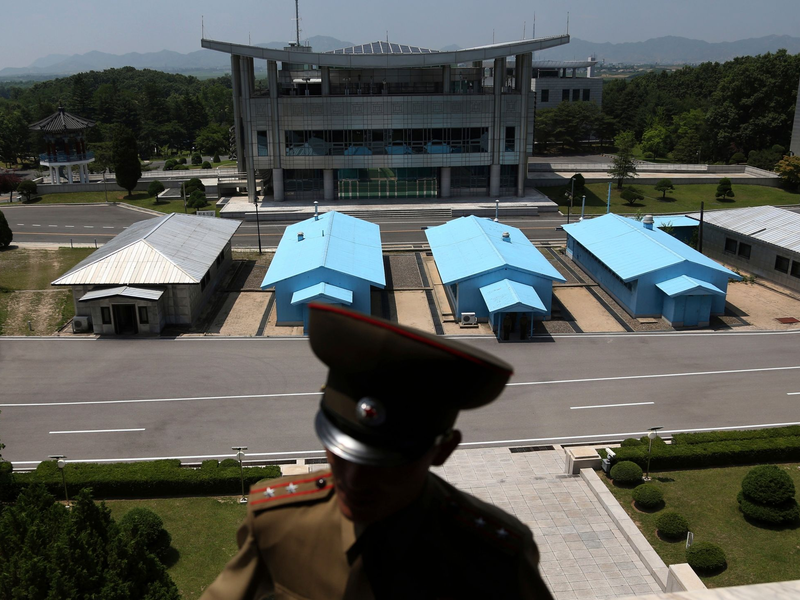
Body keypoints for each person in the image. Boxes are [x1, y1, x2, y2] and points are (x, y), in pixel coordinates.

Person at [200, 303, 553, 600]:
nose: (353, 480)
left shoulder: (492, 557)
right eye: (343, 452)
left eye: (384, 464)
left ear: (443, 451)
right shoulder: (277, 523)